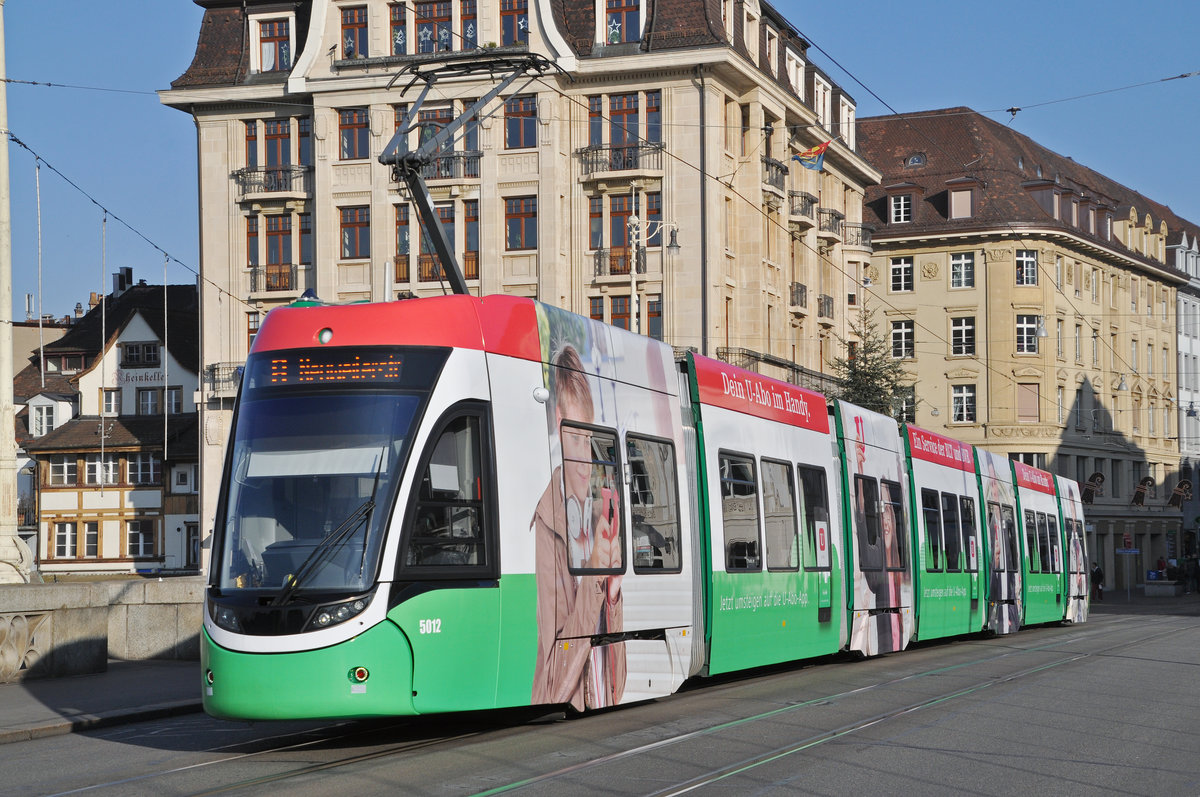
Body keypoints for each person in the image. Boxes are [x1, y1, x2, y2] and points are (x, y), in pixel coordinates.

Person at [531, 344, 626, 711]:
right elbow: (554, 687)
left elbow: (618, 680)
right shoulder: (547, 523)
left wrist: (613, 593)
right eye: (575, 438)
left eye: (589, 440)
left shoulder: (598, 513)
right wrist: (596, 577)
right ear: (558, 423)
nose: (585, 459)